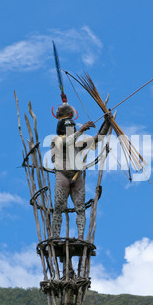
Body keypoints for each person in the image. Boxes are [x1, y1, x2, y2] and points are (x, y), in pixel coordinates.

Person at [51, 103, 111, 240]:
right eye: (69, 128)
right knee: (59, 207)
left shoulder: (78, 142)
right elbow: (66, 143)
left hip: (76, 176)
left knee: (80, 208)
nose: (72, 129)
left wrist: (106, 122)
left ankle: (80, 236)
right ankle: (55, 235)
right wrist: (81, 130)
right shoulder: (57, 140)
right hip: (62, 174)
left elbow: (99, 138)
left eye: (73, 128)